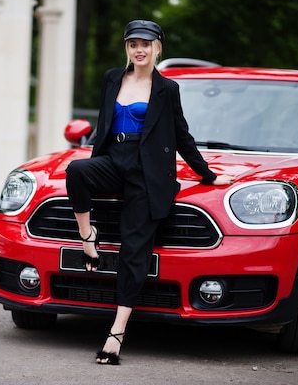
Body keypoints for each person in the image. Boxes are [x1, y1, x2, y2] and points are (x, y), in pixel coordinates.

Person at [65, 19, 234, 365]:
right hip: (113, 160)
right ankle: (88, 237)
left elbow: (183, 136)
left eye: (145, 43)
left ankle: (116, 333)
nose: (138, 50)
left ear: (158, 47)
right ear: (127, 48)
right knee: (76, 170)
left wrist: (207, 174)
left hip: (147, 173)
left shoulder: (166, 89)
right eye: (132, 44)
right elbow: (103, 125)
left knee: (133, 251)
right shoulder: (113, 78)